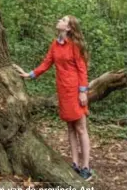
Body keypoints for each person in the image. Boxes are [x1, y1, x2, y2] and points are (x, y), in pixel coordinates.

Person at [13, 14, 92, 180]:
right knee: (70, 127)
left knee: (81, 128)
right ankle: (75, 164)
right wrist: (30, 74)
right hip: (63, 91)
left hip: (76, 91)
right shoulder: (55, 44)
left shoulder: (75, 45)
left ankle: (86, 167)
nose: (59, 21)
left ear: (69, 28)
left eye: (63, 20)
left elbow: (82, 69)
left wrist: (83, 91)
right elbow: (46, 63)